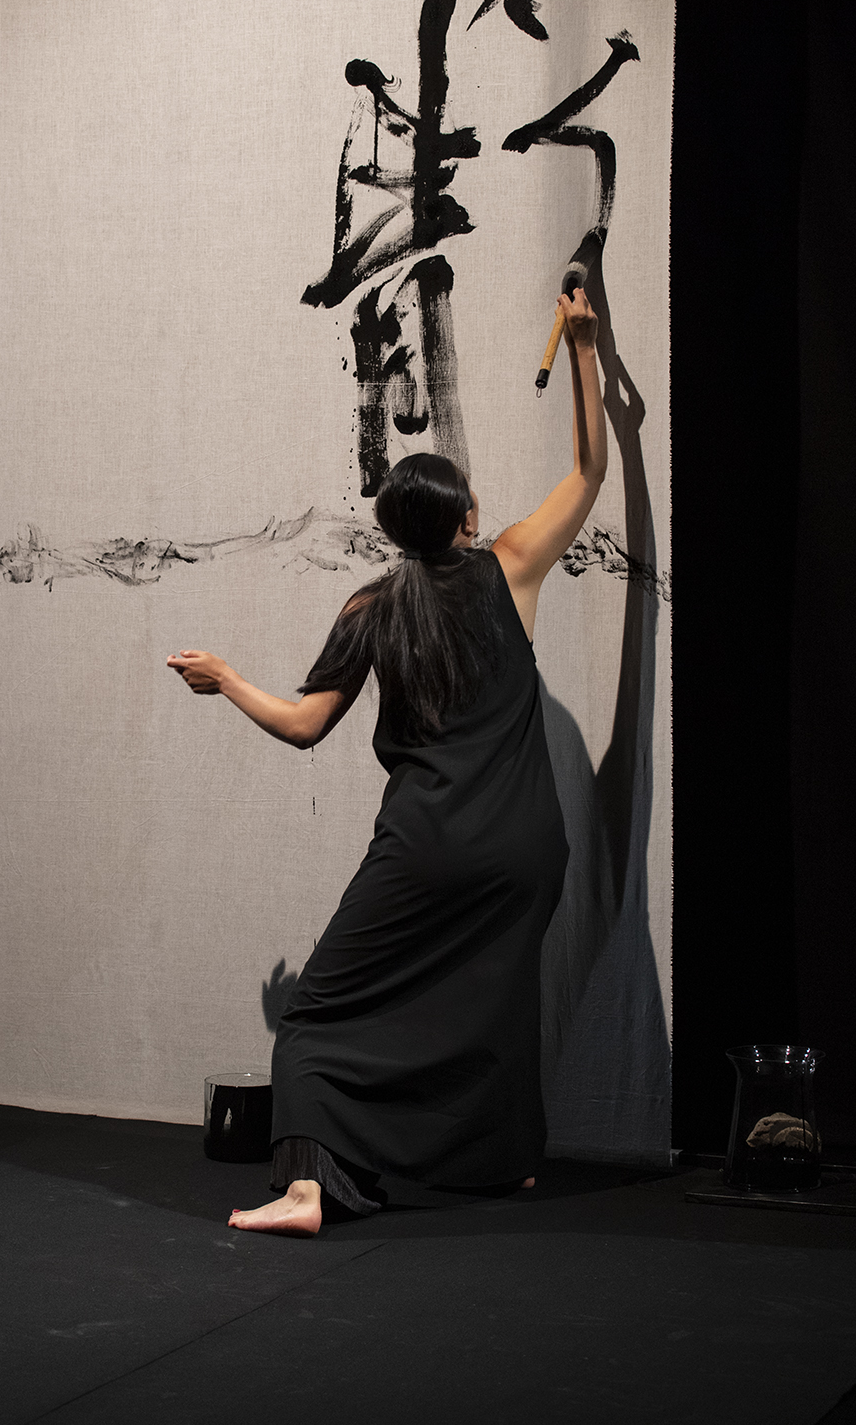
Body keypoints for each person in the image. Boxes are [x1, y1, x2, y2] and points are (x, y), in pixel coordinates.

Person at [168, 288, 606, 1235]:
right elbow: (587, 468)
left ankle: (307, 1189)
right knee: (493, 1000)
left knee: (313, 1019)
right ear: (464, 515)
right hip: (527, 847)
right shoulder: (510, 567)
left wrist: (227, 679)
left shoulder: (373, 606)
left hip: (426, 843)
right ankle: (496, 1166)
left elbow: (302, 726)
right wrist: (582, 346)